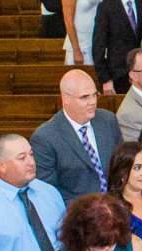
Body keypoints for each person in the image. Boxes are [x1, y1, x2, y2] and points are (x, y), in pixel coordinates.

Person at [30, 69, 121, 203]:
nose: (92, 102)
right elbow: (48, 192)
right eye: (84, 97)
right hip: (78, 215)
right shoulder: (45, 138)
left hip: (117, 206)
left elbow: (122, 165)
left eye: (94, 95)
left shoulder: (108, 120)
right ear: (66, 99)